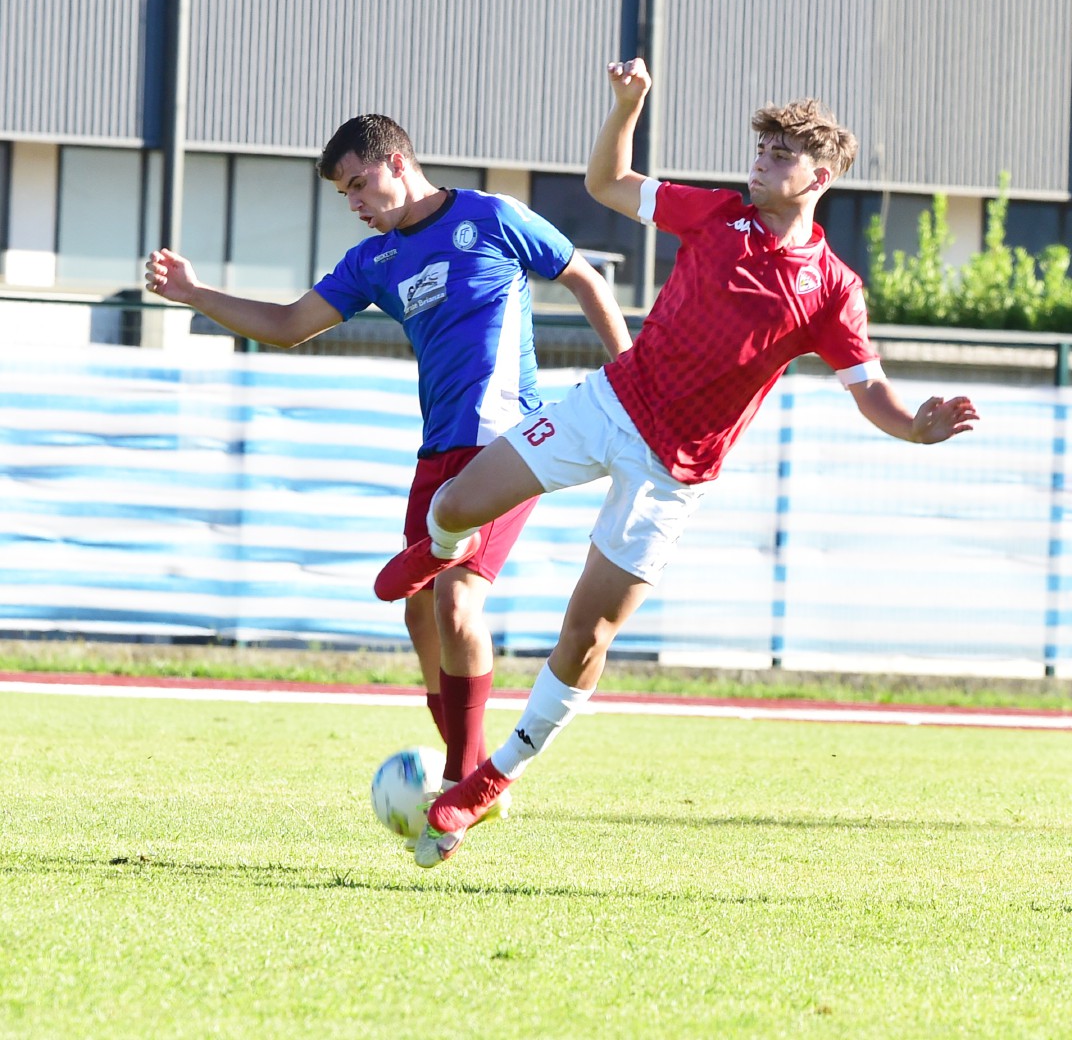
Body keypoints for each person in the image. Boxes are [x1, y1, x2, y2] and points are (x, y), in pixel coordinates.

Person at [373, 59, 980, 868]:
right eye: (759, 147)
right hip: (610, 405)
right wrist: (627, 106)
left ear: (819, 177)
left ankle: (487, 783)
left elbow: (871, 393)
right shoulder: (717, 214)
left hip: (674, 474)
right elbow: (608, 182)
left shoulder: (833, 290)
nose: (759, 161)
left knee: (585, 637)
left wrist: (916, 427)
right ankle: (438, 551)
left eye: (778, 155)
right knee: (454, 504)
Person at [144, 113, 633, 847]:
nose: (356, 203)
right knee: (418, 612)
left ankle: (463, 789)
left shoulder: (492, 217)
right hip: (436, 455)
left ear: (397, 161)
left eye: (360, 184)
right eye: (345, 194)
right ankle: (466, 778)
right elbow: (284, 324)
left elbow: (583, 276)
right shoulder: (375, 262)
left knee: (458, 605)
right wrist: (196, 294)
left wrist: (629, 381)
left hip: (506, 445)